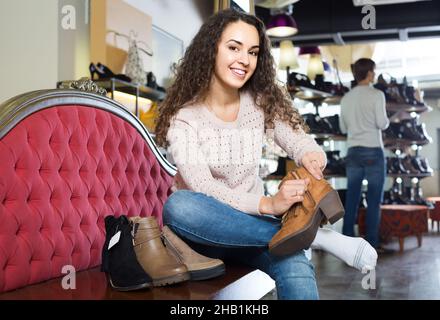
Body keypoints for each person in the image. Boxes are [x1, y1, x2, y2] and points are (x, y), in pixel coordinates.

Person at [156, 9, 376, 300]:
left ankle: (302, 236)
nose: (244, 60)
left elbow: (297, 140)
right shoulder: (184, 118)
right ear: (211, 50)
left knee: (294, 260)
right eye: (233, 48)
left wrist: (310, 153)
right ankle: (319, 237)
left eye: (253, 52)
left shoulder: (258, 102)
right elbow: (204, 188)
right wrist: (269, 204)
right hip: (203, 236)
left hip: (255, 234)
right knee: (179, 206)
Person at [339, 58, 390, 251]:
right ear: (369, 73)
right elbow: (381, 123)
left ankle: (346, 246)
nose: (374, 75)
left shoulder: (346, 98)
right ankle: (371, 244)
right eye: (373, 72)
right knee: (374, 200)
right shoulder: (377, 95)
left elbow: (343, 127)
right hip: (372, 150)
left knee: (352, 198)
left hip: (353, 151)